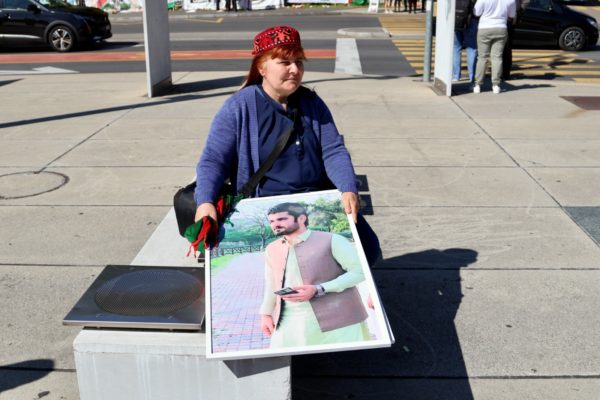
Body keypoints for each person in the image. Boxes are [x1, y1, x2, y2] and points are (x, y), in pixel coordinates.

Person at [193, 25, 381, 266]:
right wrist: (205, 201)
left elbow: (333, 150)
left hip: (315, 201)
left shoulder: (312, 103)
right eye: (284, 62)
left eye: (299, 62)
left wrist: (347, 188)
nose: (295, 69)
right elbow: (214, 159)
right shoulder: (239, 107)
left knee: (368, 250)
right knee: (281, 266)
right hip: (266, 206)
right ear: (261, 68)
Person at [260, 203, 370, 347]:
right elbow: (271, 283)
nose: (275, 225)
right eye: (272, 221)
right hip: (289, 320)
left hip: (338, 318)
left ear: (301, 219)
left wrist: (319, 288)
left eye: (281, 219)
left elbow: (360, 271)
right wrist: (266, 314)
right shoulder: (272, 248)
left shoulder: (332, 240)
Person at [472, 0, 516, 94]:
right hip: (501, 27)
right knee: (497, 57)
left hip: (484, 28)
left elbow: (476, 12)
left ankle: (478, 85)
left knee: (482, 57)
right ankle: (496, 85)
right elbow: (512, 15)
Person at [453, 0, 478, 82]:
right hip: (471, 22)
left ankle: (456, 76)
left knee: (456, 49)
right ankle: (472, 76)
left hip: (456, 21)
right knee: (471, 49)